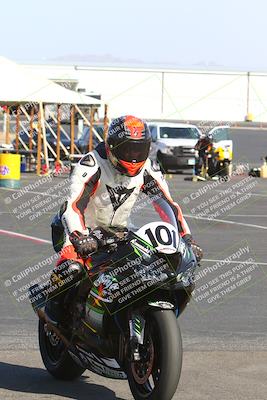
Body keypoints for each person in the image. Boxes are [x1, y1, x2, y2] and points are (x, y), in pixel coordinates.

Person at [47, 115, 203, 324]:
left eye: (138, 150)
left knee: (151, 265)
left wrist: (187, 238)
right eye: (127, 150)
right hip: (81, 229)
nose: (133, 156)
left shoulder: (148, 168)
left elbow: (169, 206)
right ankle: (52, 315)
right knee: (72, 270)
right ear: (112, 147)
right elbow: (74, 205)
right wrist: (79, 236)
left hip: (120, 231)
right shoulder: (92, 164)